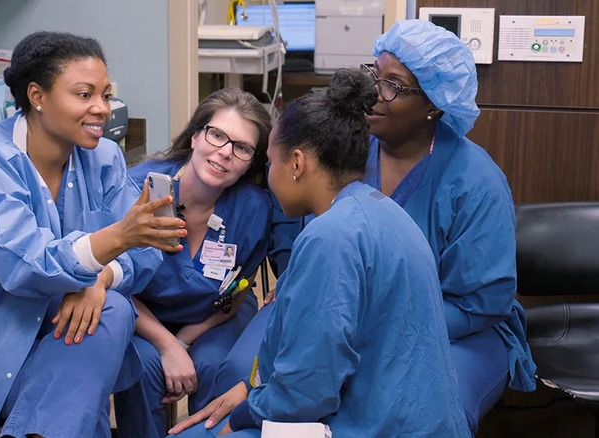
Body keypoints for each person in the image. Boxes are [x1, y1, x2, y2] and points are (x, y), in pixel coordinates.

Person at [216, 19, 537, 434]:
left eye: (394, 86)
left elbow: (482, 302)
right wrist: (299, 282)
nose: (374, 94)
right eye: (375, 75)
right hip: (333, 308)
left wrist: (362, 324)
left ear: (434, 104)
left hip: (452, 330)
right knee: (242, 371)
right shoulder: (347, 147)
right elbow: (295, 212)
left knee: (415, 405)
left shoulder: (475, 181)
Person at [0, 32, 184, 438]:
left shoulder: (103, 157)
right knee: (97, 355)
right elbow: (30, 265)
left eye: (106, 95)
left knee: (111, 310)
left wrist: (102, 279)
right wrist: (119, 238)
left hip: (49, 349)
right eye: (84, 94)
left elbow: (148, 254)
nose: (102, 109)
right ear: (37, 96)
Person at [169, 68, 470, 437]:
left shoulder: (331, 237)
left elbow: (307, 390)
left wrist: (245, 416)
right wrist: (251, 390)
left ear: (296, 164)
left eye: (271, 163)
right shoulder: (377, 211)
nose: (270, 176)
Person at [113, 88, 273, 438]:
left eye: (242, 148)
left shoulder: (253, 208)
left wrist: (185, 341)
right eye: (217, 135)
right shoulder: (137, 190)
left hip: (214, 316)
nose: (225, 153)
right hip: (142, 314)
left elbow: (238, 290)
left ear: (252, 162)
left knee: (214, 363)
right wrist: (168, 346)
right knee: (143, 365)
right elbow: (113, 284)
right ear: (197, 134)